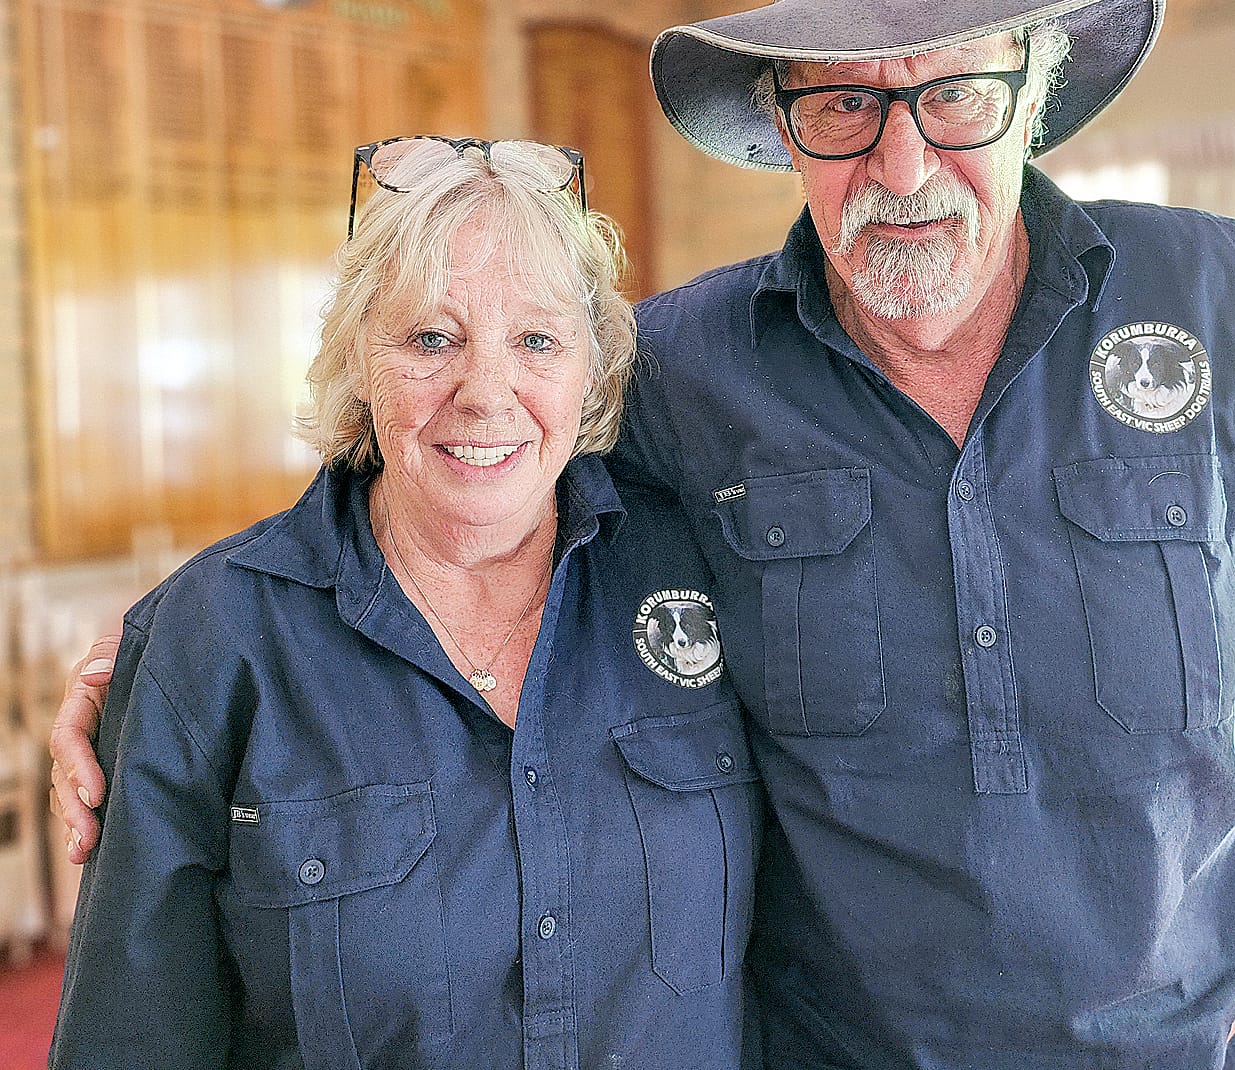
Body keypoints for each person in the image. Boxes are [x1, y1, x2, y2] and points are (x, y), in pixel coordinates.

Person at [53, 0, 1235, 1070]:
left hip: (1183, 1042)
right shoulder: (679, 369)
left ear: (1035, 92)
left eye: (956, 96)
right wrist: (175, 659)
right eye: (842, 107)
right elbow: (458, 441)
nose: (903, 165)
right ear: (784, 126)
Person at [48, 138, 763, 1070]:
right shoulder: (214, 639)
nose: (486, 391)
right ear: (358, 359)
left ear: (593, 366)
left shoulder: (703, 573)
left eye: (537, 340)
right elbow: (131, 1036)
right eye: (433, 338)